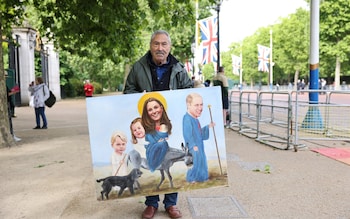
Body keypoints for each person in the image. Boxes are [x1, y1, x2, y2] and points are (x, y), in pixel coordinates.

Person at [123, 30, 192, 219]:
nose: (160, 48)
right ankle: (151, 204)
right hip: (148, 122)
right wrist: (140, 97)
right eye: (156, 44)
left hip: (170, 121)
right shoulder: (138, 67)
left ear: (169, 47)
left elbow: (188, 90)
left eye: (164, 44)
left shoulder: (179, 68)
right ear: (150, 46)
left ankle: (171, 204)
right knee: (153, 160)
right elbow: (128, 91)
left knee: (169, 159)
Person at [182, 93, 215, 183]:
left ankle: (202, 177)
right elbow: (187, 134)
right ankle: (192, 178)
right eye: (196, 105)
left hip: (199, 145)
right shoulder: (187, 119)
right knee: (194, 162)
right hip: (194, 146)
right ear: (188, 105)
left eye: (201, 104)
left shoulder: (195, 119)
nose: (200, 108)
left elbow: (199, 133)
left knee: (201, 160)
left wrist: (208, 127)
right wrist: (193, 145)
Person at [141, 97, 171, 172]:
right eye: (150, 110)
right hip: (152, 150)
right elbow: (149, 140)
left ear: (161, 108)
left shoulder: (165, 126)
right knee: (163, 144)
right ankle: (153, 166)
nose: (154, 111)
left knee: (164, 144)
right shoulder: (146, 128)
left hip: (163, 149)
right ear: (147, 113)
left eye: (156, 107)